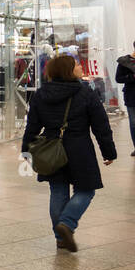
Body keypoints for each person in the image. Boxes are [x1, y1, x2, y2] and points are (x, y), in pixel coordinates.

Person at [22, 54, 116, 253]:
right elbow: (101, 125)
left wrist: (26, 150)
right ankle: (67, 222)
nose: (81, 68)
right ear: (68, 70)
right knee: (86, 190)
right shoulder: (86, 93)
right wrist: (108, 151)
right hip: (79, 148)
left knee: (58, 191)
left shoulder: (40, 94)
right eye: (76, 65)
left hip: (51, 148)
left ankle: (60, 238)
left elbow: (32, 125)